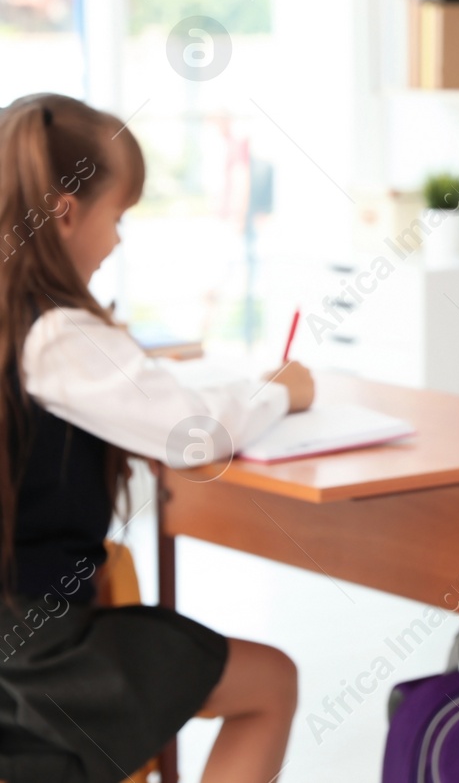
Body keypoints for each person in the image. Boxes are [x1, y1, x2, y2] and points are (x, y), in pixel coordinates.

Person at [0, 94, 313, 783]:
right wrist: (283, 389)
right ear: (65, 214)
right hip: (34, 655)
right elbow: (196, 431)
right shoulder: (53, 332)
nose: (118, 241)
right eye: (119, 216)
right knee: (271, 683)